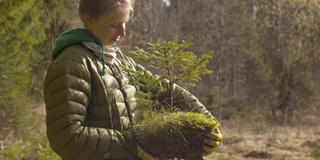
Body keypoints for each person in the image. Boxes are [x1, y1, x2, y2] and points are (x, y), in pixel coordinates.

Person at [43, 0, 223, 159]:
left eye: (124, 23)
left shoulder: (118, 60)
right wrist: (131, 145)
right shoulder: (73, 63)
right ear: (90, 20)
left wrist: (208, 122)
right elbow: (66, 137)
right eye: (114, 25)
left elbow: (163, 89)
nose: (122, 32)